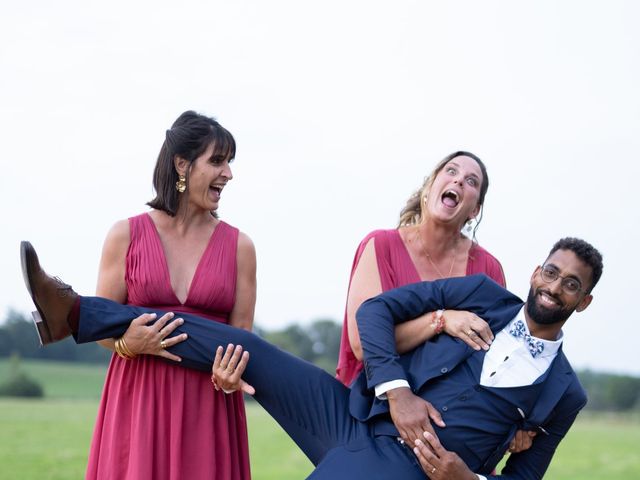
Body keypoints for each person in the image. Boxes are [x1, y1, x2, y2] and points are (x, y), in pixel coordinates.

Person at [20, 237, 602, 479]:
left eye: (571, 284)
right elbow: (373, 313)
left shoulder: (564, 393)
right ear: (536, 271)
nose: (555, 286)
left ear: (585, 300)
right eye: (552, 271)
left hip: (409, 467)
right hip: (353, 412)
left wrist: (467, 479)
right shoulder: (482, 295)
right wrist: (396, 390)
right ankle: (74, 314)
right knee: (242, 348)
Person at [79, 111, 256, 479]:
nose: (228, 173)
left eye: (230, 163)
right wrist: (128, 343)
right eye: (217, 161)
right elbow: (100, 329)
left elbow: (243, 342)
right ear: (182, 164)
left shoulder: (240, 247)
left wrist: (230, 374)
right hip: (137, 400)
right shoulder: (124, 235)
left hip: (207, 406)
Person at [337, 151, 505, 387]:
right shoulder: (380, 246)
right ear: (429, 187)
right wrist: (441, 321)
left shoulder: (488, 269)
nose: (458, 180)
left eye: (471, 181)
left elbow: (492, 355)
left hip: (449, 410)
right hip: (372, 400)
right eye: (451, 171)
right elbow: (364, 345)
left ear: (474, 210)